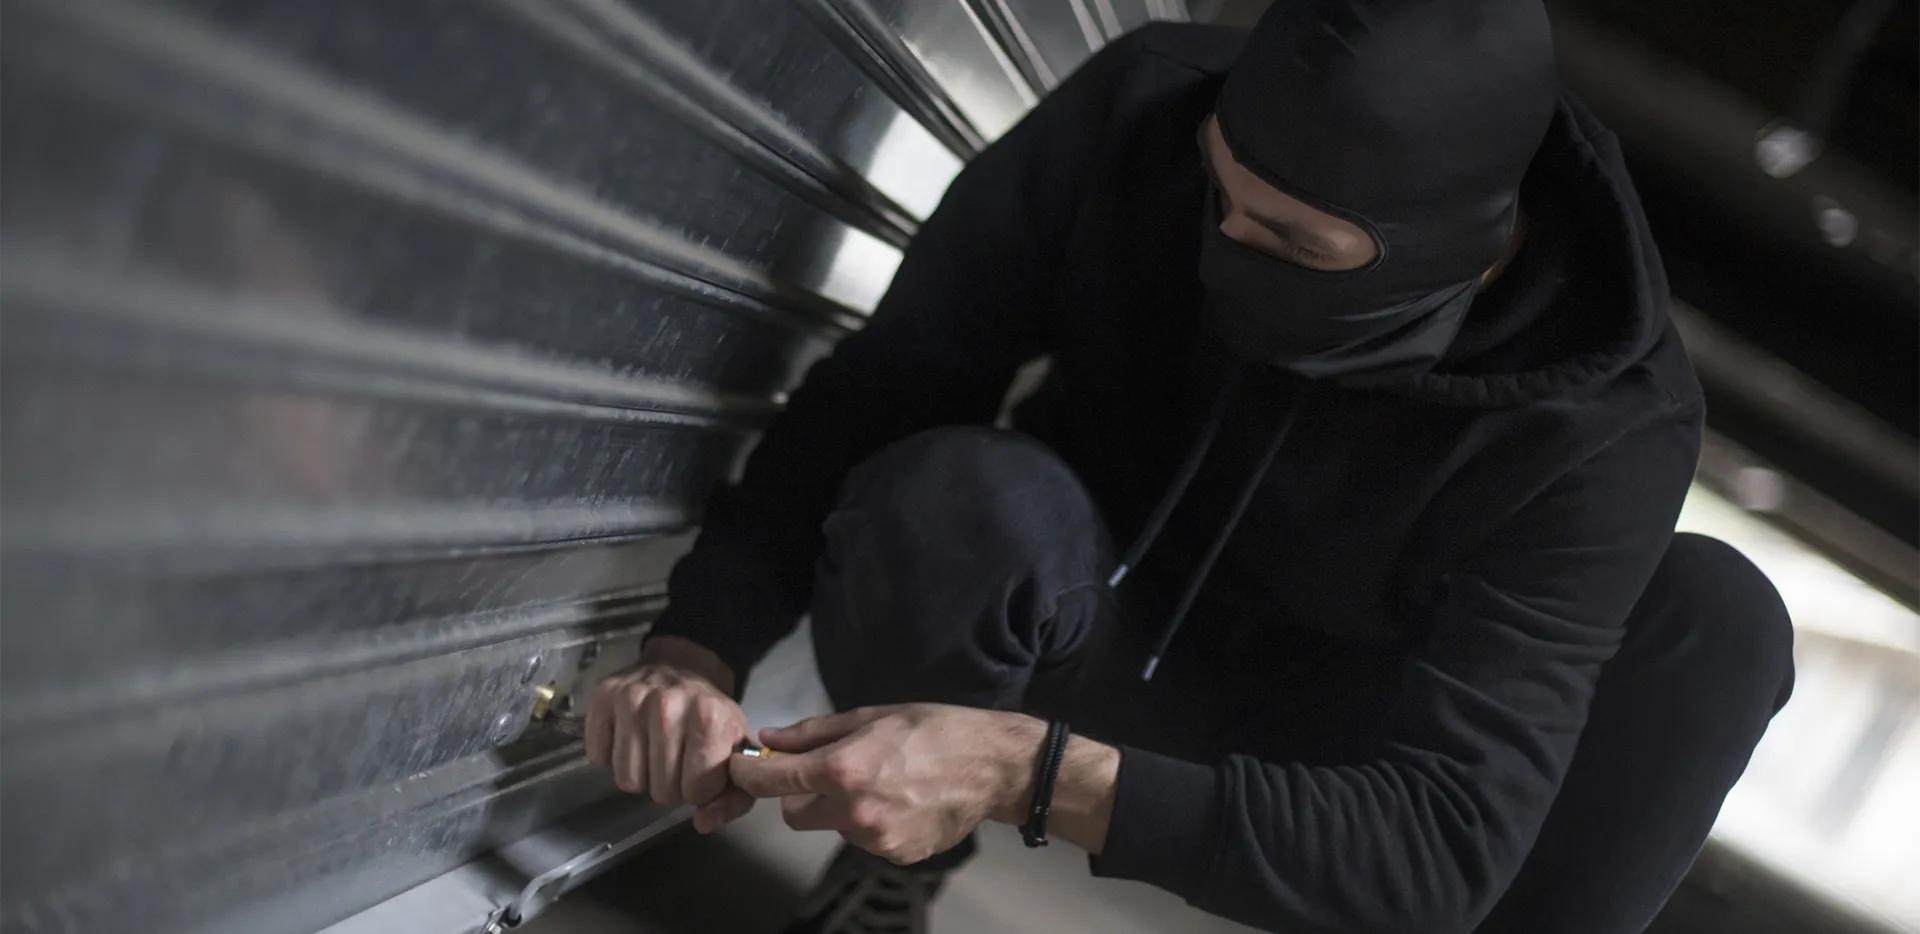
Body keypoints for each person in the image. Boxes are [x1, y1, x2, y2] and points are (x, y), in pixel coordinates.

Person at [582, 1, 1797, 932]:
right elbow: (890, 382)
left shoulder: (1608, 426)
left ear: (1461, 246)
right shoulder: (1148, 106)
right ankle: (896, 862)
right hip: (1075, 615)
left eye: (1292, 241)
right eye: (1221, 191)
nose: (1226, 245)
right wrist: (697, 644)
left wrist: (1025, 773)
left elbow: (1439, 848)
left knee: (1722, 621)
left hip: (1330, 757)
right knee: (950, 501)